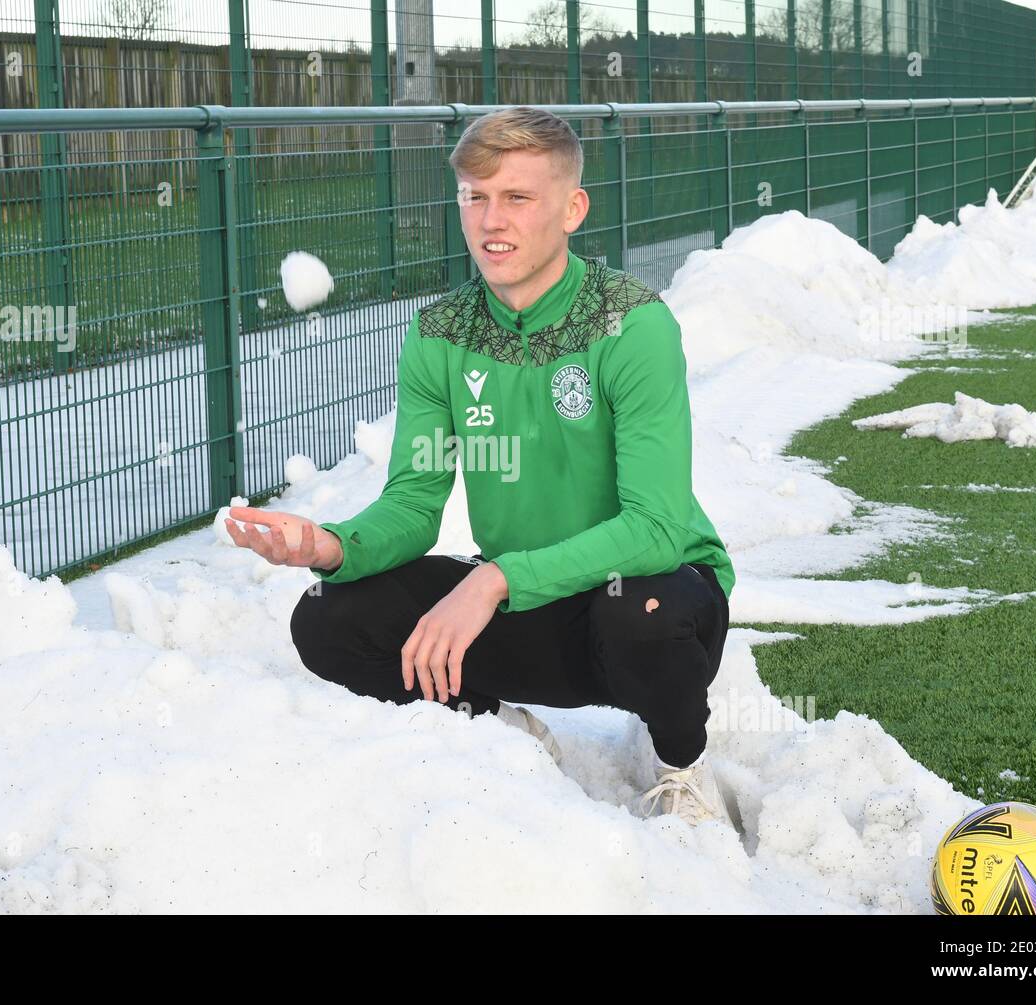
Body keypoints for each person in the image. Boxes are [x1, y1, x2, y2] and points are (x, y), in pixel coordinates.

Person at [225, 107, 738, 829]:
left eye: (517, 198)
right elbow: (413, 500)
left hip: (648, 607)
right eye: (475, 196)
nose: (490, 219)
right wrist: (328, 544)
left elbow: (655, 528)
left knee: (641, 608)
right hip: (533, 607)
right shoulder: (440, 334)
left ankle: (681, 766)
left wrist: (495, 578)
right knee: (330, 617)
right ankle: (496, 729)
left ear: (572, 208)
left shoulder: (633, 323)